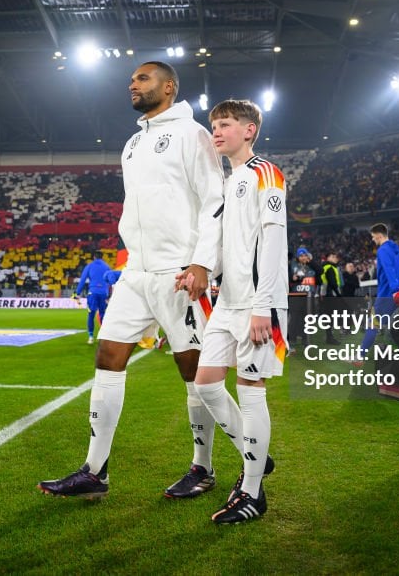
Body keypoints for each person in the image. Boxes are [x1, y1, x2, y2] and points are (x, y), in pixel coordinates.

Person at [38, 61, 224, 499]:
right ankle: (95, 470)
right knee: (107, 355)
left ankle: (204, 467)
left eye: (142, 78)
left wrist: (201, 263)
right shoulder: (133, 143)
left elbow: (215, 200)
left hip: (179, 272)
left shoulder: (192, 134)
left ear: (169, 86)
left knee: (193, 372)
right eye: (132, 79)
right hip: (136, 271)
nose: (132, 84)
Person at [188, 99, 287, 523]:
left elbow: (272, 243)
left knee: (251, 393)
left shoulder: (267, 173)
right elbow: (233, 247)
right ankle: (255, 456)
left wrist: (263, 305)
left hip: (256, 305)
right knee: (205, 384)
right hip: (227, 303)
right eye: (214, 124)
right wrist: (200, 273)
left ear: (249, 130)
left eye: (225, 123)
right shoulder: (230, 182)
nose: (217, 131)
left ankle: (252, 493)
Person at [359, 223, 399, 356]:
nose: (373, 240)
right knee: (396, 326)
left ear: (379, 236)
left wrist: (394, 289)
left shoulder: (383, 250)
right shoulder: (395, 249)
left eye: (373, 237)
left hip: (387, 293)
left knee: (372, 324)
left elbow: (388, 269)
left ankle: (360, 356)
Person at [74, 250, 112, 344]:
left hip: (93, 292)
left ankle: (91, 337)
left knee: (91, 315)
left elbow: (83, 280)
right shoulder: (107, 266)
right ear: (102, 257)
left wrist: (77, 293)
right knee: (103, 314)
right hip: (104, 293)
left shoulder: (89, 266)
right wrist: (109, 294)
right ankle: (104, 337)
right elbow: (110, 281)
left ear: (94, 257)